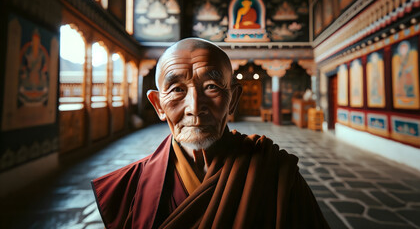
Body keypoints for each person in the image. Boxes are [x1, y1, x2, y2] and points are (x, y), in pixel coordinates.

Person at [91, 38, 329, 229]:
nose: (195, 107)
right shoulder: (128, 187)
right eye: (177, 90)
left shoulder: (276, 170)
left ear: (233, 100)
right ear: (158, 106)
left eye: (212, 87)